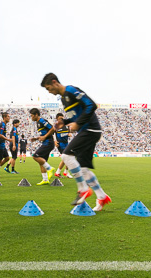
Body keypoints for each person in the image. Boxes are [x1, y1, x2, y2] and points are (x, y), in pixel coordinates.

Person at [41, 74, 111, 209]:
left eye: (48, 88)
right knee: (84, 169)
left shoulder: (71, 90)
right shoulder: (63, 98)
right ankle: (102, 197)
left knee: (66, 155)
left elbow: (91, 105)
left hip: (90, 130)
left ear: (54, 82)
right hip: (87, 131)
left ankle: (83, 189)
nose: (49, 92)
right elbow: (76, 115)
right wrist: (64, 122)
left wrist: (78, 123)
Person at [29, 108, 55, 185]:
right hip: (46, 142)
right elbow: (43, 134)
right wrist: (36, 138)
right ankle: (45, 179)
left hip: (48, 143)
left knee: (35, 156)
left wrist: (45, 136)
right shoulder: (38, 123)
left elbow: (53, 128)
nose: (31, 117)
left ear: (36, 115)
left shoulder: (41, 121)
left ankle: (49, 169)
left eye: (32, 116)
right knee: (42, 162)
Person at [53, 113, 72, 179]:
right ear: (57, 119)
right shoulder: (56, 126)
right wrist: (55, 141)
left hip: (66, 143)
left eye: (62, 118)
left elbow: (69, 132)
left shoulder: (66, 125)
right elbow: (52, 134)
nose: (62, 119)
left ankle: (64, 172)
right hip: (60, 144)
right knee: (66, 157)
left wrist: (69, 133)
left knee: (69, 157)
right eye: (60, 118)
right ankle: (61, 172)